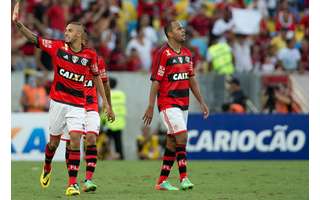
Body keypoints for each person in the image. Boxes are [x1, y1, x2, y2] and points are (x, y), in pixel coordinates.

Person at [12, 1, 113, 196]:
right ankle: (47, 166)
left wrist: (106, 104)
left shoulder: (90, 56)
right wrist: (18, 24)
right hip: (58, 103)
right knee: (53, 144)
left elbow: (98, 79)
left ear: (78, 35)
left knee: (75, 139)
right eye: (65, 30)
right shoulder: (58, 47)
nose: (65, 32)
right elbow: (35, 39)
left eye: (69, 31)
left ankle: (72, 184)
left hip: (77, 104)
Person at [143, 21, 209, 191]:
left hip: (184, 104)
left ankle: (161, 182)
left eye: (182, 28)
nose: (183, 30)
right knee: (182, 136)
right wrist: (151, 105)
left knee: (173, 142)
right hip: (167, 103)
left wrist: (201, 101)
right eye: (179, 28)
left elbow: (191, 80)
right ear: (170, 34)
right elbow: (156, 81)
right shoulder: (163, 53)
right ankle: (184, 178)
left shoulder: (187, 54)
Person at [62, 54, 115, 192]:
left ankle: (88, 180)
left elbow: (105, 84)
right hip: (73, 107)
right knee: (72, 143)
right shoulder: (68, 58)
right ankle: (72, 181)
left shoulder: (98, 60)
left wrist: (108, 105)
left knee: (91, 139)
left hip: (91, 107)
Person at [100, 77, 126, 160]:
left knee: (106, 142)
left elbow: (105, 109)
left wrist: (102, 121)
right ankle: (121, 158)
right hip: (120, 123)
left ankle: (104, 157)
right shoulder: (121, 94)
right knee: (118, 143)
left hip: (109, 122)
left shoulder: (106, 94)